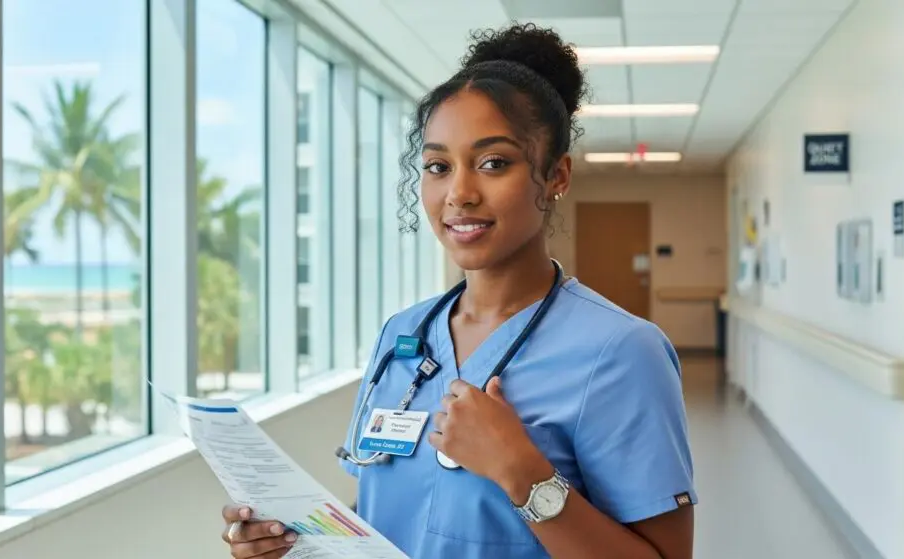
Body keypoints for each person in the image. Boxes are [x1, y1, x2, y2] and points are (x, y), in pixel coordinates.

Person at [221, 22, 696, 559]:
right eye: (438, 166)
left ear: (556, 175)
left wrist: (523, 472)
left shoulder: (622, 351)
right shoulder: (403, 334)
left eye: (494, 163)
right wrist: (296, 544)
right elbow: (390, 509)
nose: (460, 193)